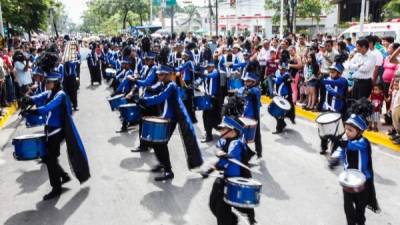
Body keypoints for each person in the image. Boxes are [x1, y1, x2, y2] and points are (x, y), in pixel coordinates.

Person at [22, 72, 90, 200]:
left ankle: (56, 188)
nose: (45, 84)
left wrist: (32, 111)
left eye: (48, 82)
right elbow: (38, 97)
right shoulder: (50, 92)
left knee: (50, 158)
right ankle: (63, 176)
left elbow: (47, 108)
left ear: (55, 83)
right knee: (48, 158)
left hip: (57, 131)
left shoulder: (60, 95)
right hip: (50, 129)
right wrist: (28, 99)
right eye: (46, 82)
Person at [201, 116, 257, 225]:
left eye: (224, 128)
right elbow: (220, 155)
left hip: (234, 182)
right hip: (225, 179)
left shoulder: (236, 144)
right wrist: (209, 170)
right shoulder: (225, 140)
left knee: (221, 210)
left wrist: (223, 156)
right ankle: (234, 219)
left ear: (233, 131)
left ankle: (235, 220)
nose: (221, 130)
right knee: (214, 205)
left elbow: (227, 159)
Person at [329, 114, 380, 225]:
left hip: (363, 183)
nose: (347, 132)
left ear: (360, 132)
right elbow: (341, 150)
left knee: (360, 210)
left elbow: (352, 146)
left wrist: (342, 143)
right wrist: (334, 158)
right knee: (347, 207)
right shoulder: (346, 139)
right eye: (346, 129)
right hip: (348, 180)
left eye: (350, 130)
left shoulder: (363, 142)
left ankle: (360, 222)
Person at [319, 63, 348, 155]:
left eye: (334, 71)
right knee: (323, 129)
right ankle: (323, 147)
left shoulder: (342, 81)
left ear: (339, 73)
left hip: (337, 110)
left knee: (336, 134)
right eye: (330, 70)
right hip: (327, 108)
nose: (331, 72)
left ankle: (334, 151)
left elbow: (333, 83)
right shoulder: (327, 79)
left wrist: (322, 81)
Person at [237, 72, 262, 159]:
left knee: (256, 135)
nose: (245, 83)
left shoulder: (256, 90)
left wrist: (244, 91)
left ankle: (258, 152)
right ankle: (248, 154)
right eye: (245, 81)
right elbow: (240, 92)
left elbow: (252, 92)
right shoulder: (245, 88)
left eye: (248, 81)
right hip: (244, 115)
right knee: (242, 137)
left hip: (253, 116)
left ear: (253, 82)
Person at [198, 62, 221, 143]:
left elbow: (212, 76)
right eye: (206, 67)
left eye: (209, 67)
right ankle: (209, 133)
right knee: (206, 116)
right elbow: (201, 79)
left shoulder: (216, 72)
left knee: (210, 116)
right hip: (207, 97)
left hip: (215, 98)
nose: (207, 68)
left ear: (213, 66)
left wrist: (204, 75)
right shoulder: (206, 72)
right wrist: (196, 82)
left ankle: (209, 135)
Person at [272, 63, 295, 134]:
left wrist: (273, 78)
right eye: (281, 69)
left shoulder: (286, 75)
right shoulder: (280, 73)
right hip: (280, 96)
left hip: (285, 97)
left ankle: (279, 128)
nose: (282, 70)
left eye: (283, 69)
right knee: (276, 112)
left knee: (278, 112)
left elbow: (279, 80)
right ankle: (282, 124)